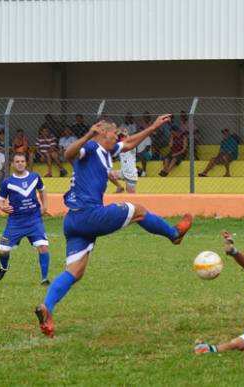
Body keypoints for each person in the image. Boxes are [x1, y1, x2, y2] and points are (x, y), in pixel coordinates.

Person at [34, 115, 193, 337]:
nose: (118, 135)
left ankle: (47, 308)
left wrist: (153, 127)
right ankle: (174, 234)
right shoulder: (89, 147)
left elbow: (129, 143)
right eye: (114, 132)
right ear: (102, 134)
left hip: (73, 221)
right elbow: (68, 154)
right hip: (90, 215)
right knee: (138, 210)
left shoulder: (105, 151)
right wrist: (89, 134)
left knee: (75, 271)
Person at [0, 153, 51, 286]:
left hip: (34, 220)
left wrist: (45, 206)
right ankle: (4, 267)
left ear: (26, 163)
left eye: (22, 161)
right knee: (3, 251)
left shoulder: (35, 177)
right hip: (16, 221)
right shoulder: (7, 182)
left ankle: (45, 278)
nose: (20, 163)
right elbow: (0, 199)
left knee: (43, 247)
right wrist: (3, 207)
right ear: (13, 164)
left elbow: (42, 190)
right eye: (17, 161)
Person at [108, 129, 138, 193]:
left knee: (131, 198)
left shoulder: (131, 147)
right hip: (123, 172)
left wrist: (127, 135)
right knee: (109, 174)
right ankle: (120, 187)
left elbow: (130, 141)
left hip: (131, 175)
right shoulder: (120, 148)